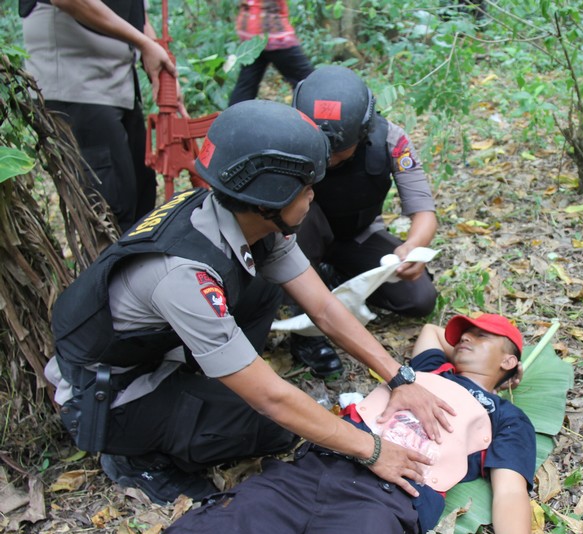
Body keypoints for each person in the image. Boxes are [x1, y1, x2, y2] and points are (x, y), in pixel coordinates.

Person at [45, 99, 455, 505]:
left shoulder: (248, 220)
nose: (314, 196)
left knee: (262, 289)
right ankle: (134, 458)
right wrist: (374, 450)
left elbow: (325, 308)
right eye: (306, 187)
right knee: (272, 428)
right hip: (108, 390)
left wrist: (399, 377)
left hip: (157, 350)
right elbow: (272, 399)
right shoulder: (185, 275)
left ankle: (213, 390)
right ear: (267, 199)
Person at [96, 314, 539, 534]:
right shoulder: (425, 370)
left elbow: (509, 491)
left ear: (510, 362)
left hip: (380, 503)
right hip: (307, 474)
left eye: (482, 337)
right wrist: (458, 354)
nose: (464, 341)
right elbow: (429, 333)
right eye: (463, 335)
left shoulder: (505, 415)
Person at [287, 65, 439, 378]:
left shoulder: (390, 140)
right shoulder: (284, 135)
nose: (327, 158)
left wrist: (412, 247)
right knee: (300, 213)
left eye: (338, 152)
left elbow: (423, 210)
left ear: (364, 130)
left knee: (419, 299)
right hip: (298, 237)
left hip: (357, 235)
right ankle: (304, 330)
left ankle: (332, 278)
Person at [21, 0, 181, 230]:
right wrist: (145, 45)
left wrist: (163, 67)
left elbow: (135, 16)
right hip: (76, 87)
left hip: (118, 87)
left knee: (142, 204)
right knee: (110, 210)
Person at [227, 0, 314, 106]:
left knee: (246, 86)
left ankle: (232, 120)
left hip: (250, 29)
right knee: (308, 81)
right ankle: (315, 118)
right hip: (272, 30)